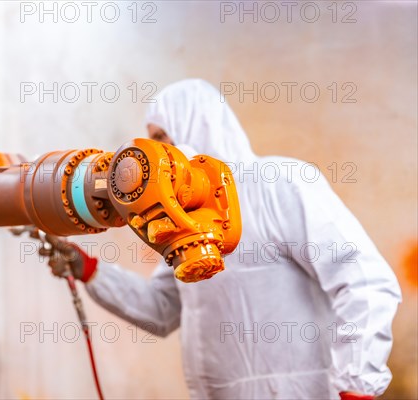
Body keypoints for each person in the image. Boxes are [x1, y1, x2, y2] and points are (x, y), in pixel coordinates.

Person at [45, 79, 401, 399]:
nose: (153, 157)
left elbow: (364, 282)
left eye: (159, 138)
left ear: (197, 125)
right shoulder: (179, 222)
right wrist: (90, 269)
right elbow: (163, 310)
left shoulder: (279, 184)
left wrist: (356, 385)